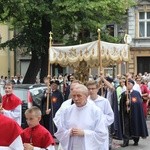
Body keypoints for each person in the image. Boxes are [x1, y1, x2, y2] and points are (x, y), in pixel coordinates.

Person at [54, 84, 107, 150]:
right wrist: (69, 132)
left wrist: (84, 133)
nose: (76, 99)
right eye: (74, 96)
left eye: (79, 96)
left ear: (86, 96)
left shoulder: (95, 111)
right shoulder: (67, 111)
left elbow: (101, 134)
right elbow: (60, 132)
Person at [120, 79, 148, 147]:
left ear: (132, 85)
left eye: (129, 84)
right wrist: (124, 98)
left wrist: (130, 103)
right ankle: (125, 142)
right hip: (126, 114)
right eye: (127, 84)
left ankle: (136, 140)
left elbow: (138, 103)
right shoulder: (124, 93)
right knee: (126, 127)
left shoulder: (136, 93)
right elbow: (121, 103)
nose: (128, 85)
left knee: (135, 125)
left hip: (134, 114)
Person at [86, 80, 114, 150]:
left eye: (93, 88)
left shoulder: (104, 101)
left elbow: (110, 116)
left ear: (97, 89)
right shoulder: (85, 101)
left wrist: (100, 121)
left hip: (101, 132)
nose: (91, 91)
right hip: (89, 131)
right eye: (89, 89)